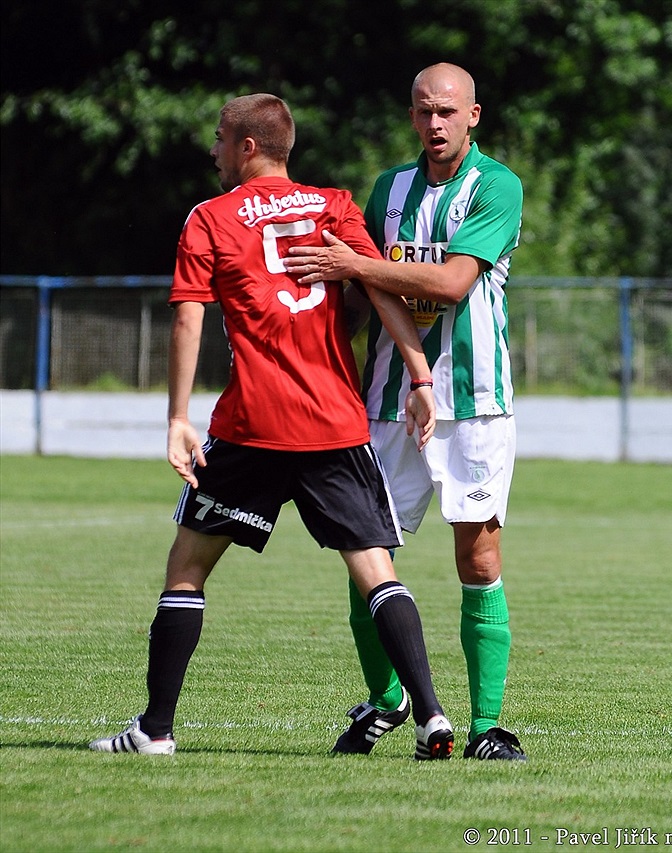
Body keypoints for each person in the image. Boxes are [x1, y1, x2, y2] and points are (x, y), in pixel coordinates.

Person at [88, 93, 454, 761]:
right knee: (376, 568)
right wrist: (420, 377)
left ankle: (156, 730)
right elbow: (381, 289)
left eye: (221, 139)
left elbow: (188, 319)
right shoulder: (335, 206)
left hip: (252, 425)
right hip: (335, 425)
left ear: (247, 147)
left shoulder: (210, 217)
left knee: (187, 569)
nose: (214, 150)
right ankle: (431, 714)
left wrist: (176, 417)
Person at [284, 64, 527, 761]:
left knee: (478, 556)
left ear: (474, 114)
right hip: (386, 404)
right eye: (424, 111)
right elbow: (360, 292)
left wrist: (356, 265)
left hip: (473, 405)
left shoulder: (498, 185)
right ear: (412, 115)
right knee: (368, 555)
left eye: (448, 111)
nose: (436, 123)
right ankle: (387, 702)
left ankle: (485, 726)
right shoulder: (388, 188)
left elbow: (451, 283)